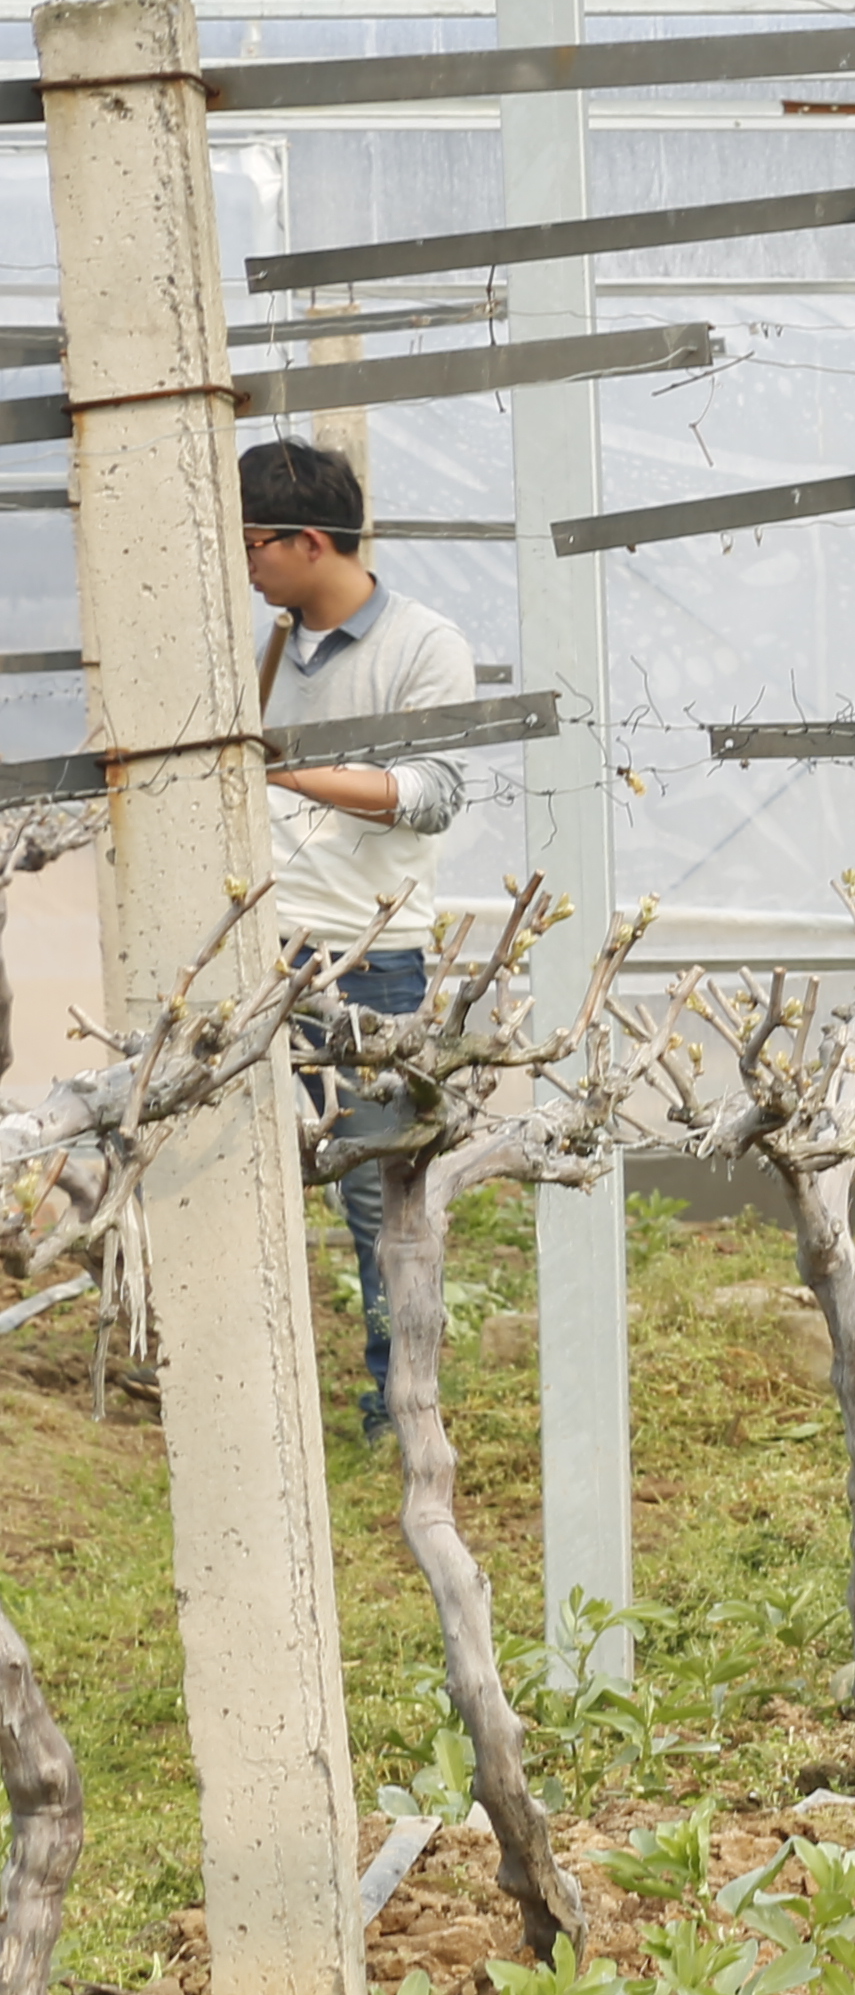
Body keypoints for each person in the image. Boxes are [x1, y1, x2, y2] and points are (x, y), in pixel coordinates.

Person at [243, 438, 478, 1447]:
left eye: (254, 543)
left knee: (381, 1203)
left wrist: (284, 771)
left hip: (368, 960)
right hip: (259, 950)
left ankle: (402, 1414)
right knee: (242, 1179)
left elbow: (432, 797)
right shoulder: (265, 647)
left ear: (304, 540)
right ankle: (260, 1407)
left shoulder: (423, 644)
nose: (244, 565)